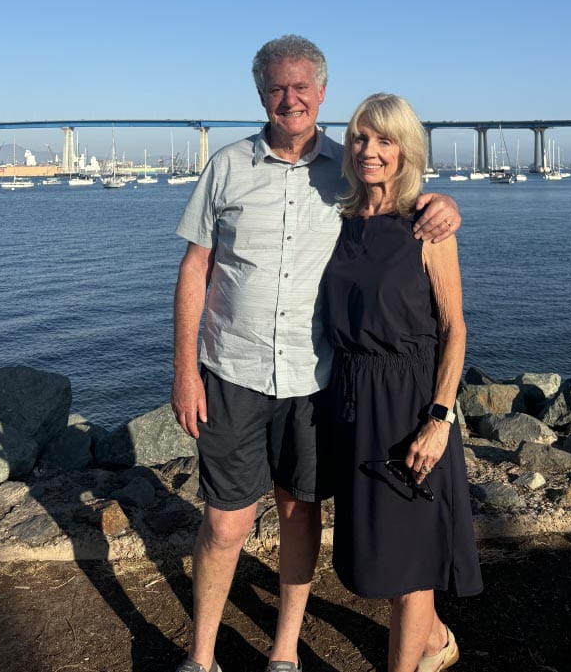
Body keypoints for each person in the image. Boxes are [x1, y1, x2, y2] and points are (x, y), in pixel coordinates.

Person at [171, 36, 462, 672]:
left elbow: (403, 197)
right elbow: (195, 267)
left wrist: (445, 205)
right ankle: (201, 657)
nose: (290, 98)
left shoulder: (347, 169)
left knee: (301, 514)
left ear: (322, 94)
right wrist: (183, 369)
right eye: (277, 87)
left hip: (314, 378)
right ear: (260, 94)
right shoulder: (225, 166)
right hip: (232, 370)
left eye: (302, 86)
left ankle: (283, 652)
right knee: (225, 525)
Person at [321, 93, 483, 672]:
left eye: (385, 140)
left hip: (411, 401)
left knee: (412, 564)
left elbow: (455, 329)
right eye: (361, 138)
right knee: (379, 553)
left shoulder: (428, 226)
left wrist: (439, 420)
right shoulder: (337, 220)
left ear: (406, 150)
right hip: (351, 399)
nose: (370, 151)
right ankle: (437, 640)